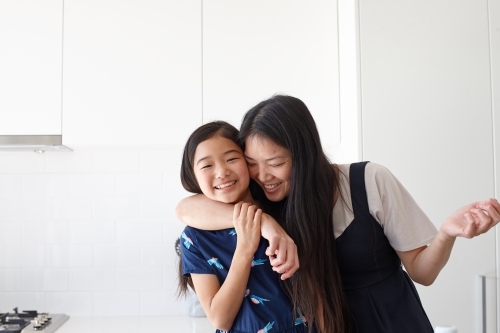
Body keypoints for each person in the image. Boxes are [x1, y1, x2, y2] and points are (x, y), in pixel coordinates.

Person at [176, 95, 500, 333]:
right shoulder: (264, 197)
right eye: (252, 163)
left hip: (393, 321)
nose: (263, 175)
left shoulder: (368, 181)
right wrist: (269, 225)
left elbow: (423, 272)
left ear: (304, 154)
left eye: (275, 162)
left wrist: (445, 233)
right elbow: (185, 209)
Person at [177, 121, 330, 333]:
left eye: (231, 159)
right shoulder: (194, 238)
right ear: (193, 175)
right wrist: (245, 247)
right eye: (207, 165)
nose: (222, 172)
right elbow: (220, 319)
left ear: (249, 163)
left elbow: (317, 294)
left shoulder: (284, 211)